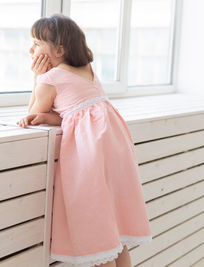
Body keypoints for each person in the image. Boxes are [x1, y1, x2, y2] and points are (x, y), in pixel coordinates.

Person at [16, 14, 152, 267]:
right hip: (114, 141)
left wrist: (36, 78)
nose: (30, 49)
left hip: (90, 150)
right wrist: (52, 116)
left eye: (36, 43)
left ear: (59, 49)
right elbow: (76, 110)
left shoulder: (49, 79)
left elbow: (32, 113)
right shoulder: (88, 69)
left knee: (96, 224)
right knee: (115, 226)